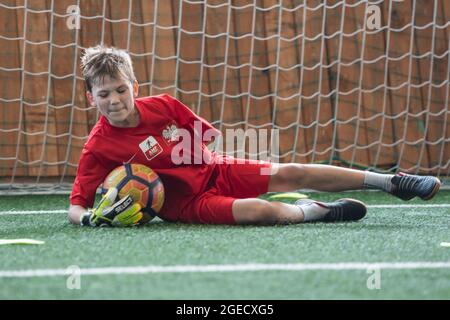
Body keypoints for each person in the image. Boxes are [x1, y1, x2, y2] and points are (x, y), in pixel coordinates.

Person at [68, 45, 441, 227]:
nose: (114, 100)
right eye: (104, 94)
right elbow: (76, 206)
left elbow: (204, 134)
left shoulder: (164, 105)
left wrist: (184, 153)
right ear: (91, 98)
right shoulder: (98, 147)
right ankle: (314, 212)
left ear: (134, 85)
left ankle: (392, 181)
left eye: (120, 90)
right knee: (259, 211)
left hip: (216, 170)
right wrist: (92, 218)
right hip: (183, 205)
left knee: (291, 172)